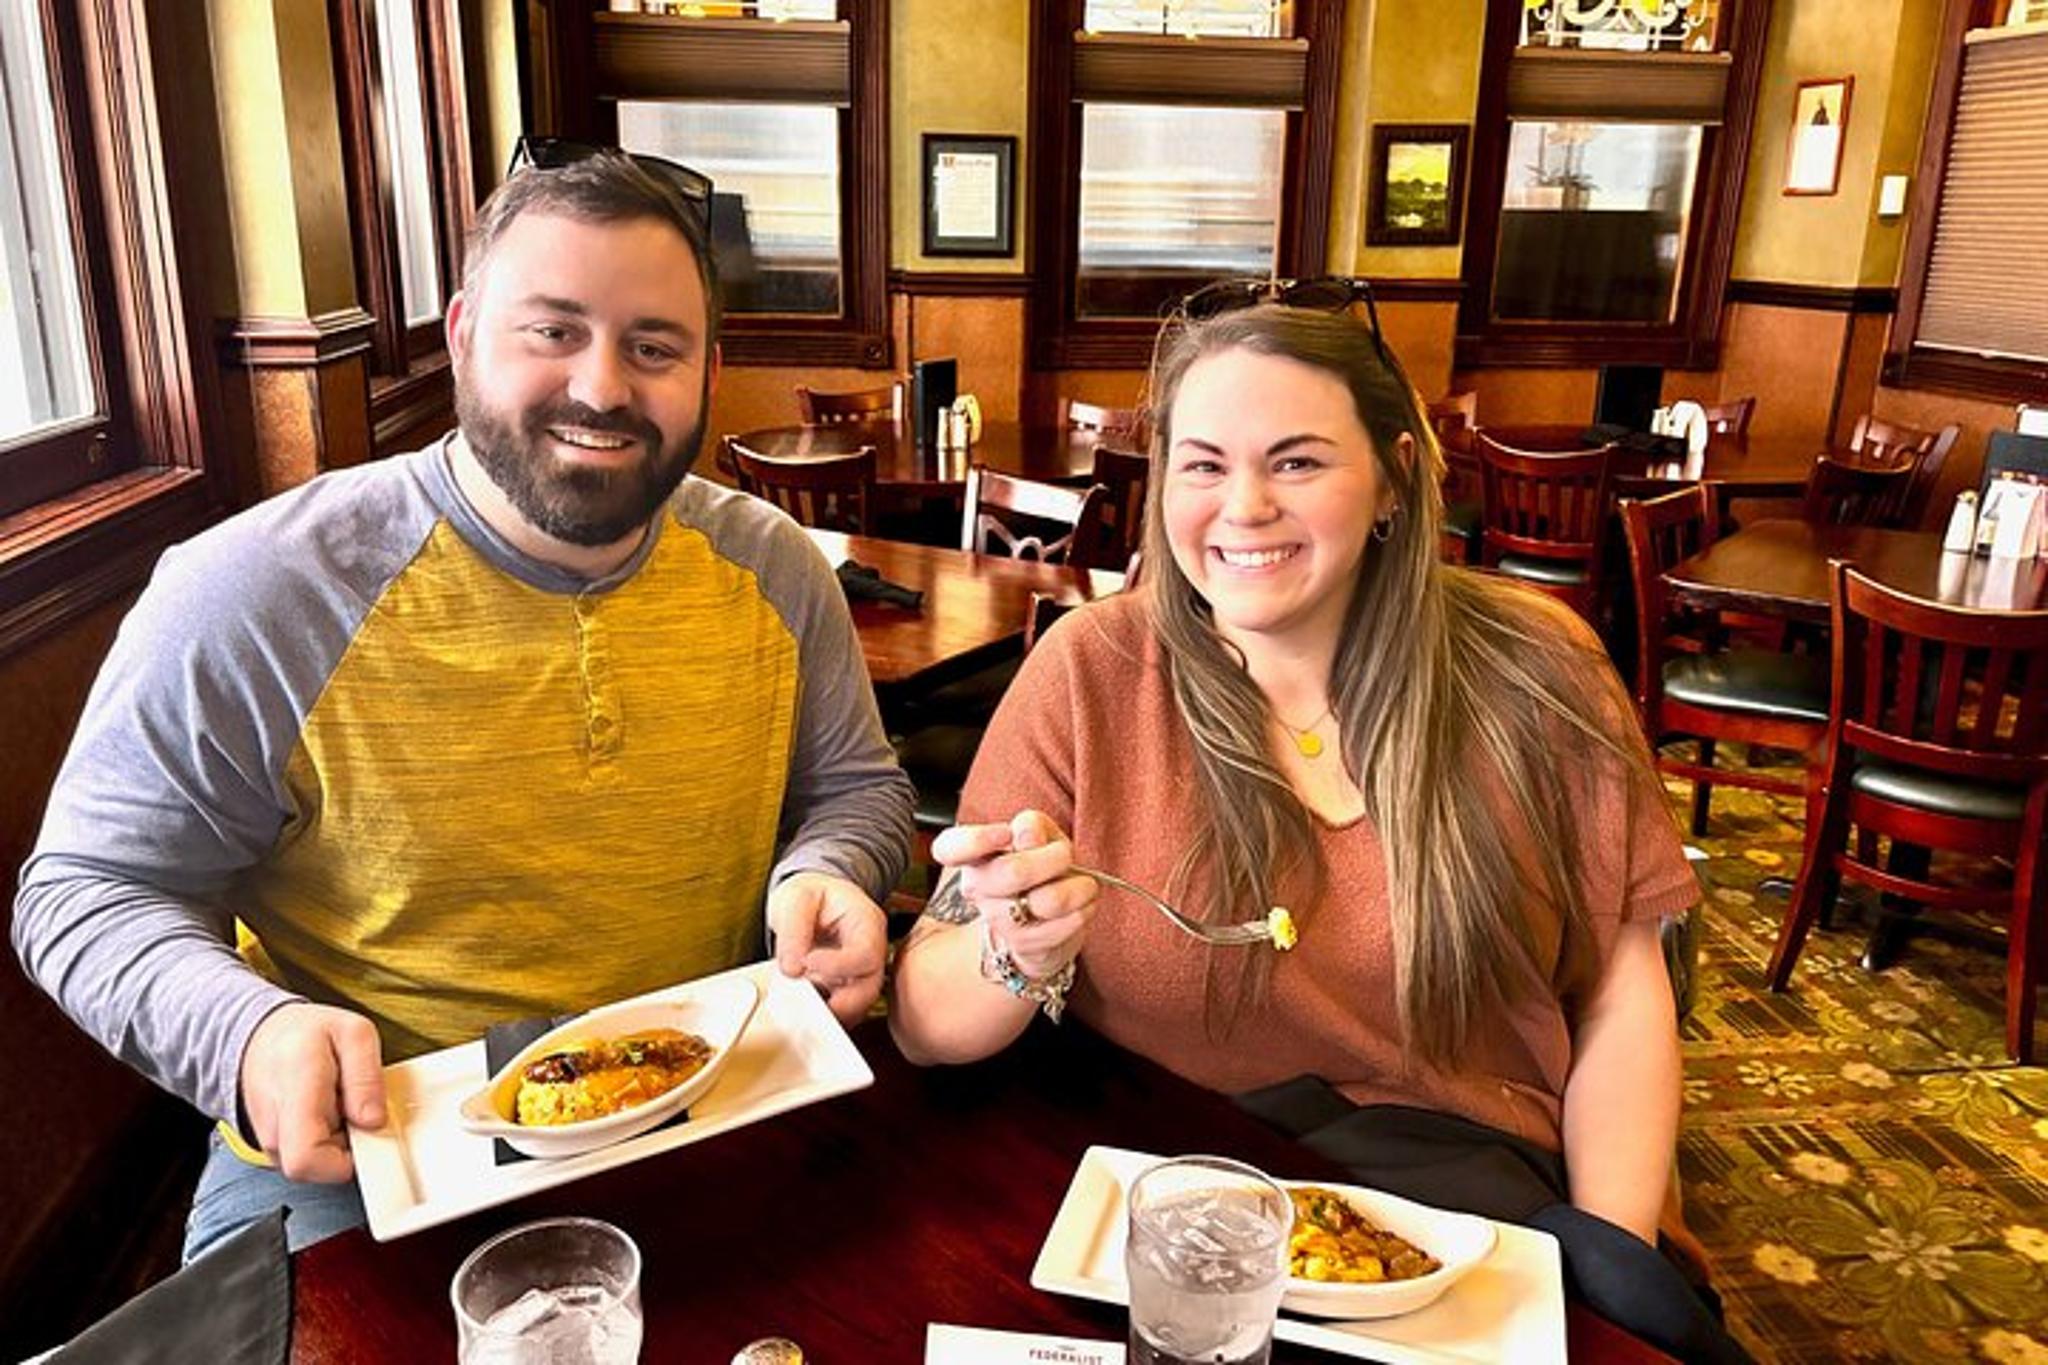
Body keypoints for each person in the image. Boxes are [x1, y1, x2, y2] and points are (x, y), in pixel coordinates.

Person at [12, 143, 914, 1260]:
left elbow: (857, 789)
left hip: (713, 1099)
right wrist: (247, 1031)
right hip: (370, 1160)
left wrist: (830, 867)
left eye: (653, 346)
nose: (601, 386)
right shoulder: (254, 591)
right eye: (552, 330)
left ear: (708, 373)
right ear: (459, 336)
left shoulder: (772, 566)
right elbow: (87, 890)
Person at [888, 293, 1751, 1363]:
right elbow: (926, 1024)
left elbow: (1621, 992)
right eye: (1201, 466)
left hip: (1458, 1218)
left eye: (1295, 462)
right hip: (1149, 1215)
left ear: (1392, 475)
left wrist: (1597, 1281)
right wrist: (1009, 951)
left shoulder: (1538, 672)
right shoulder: (1091, 669)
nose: (1240, 507)